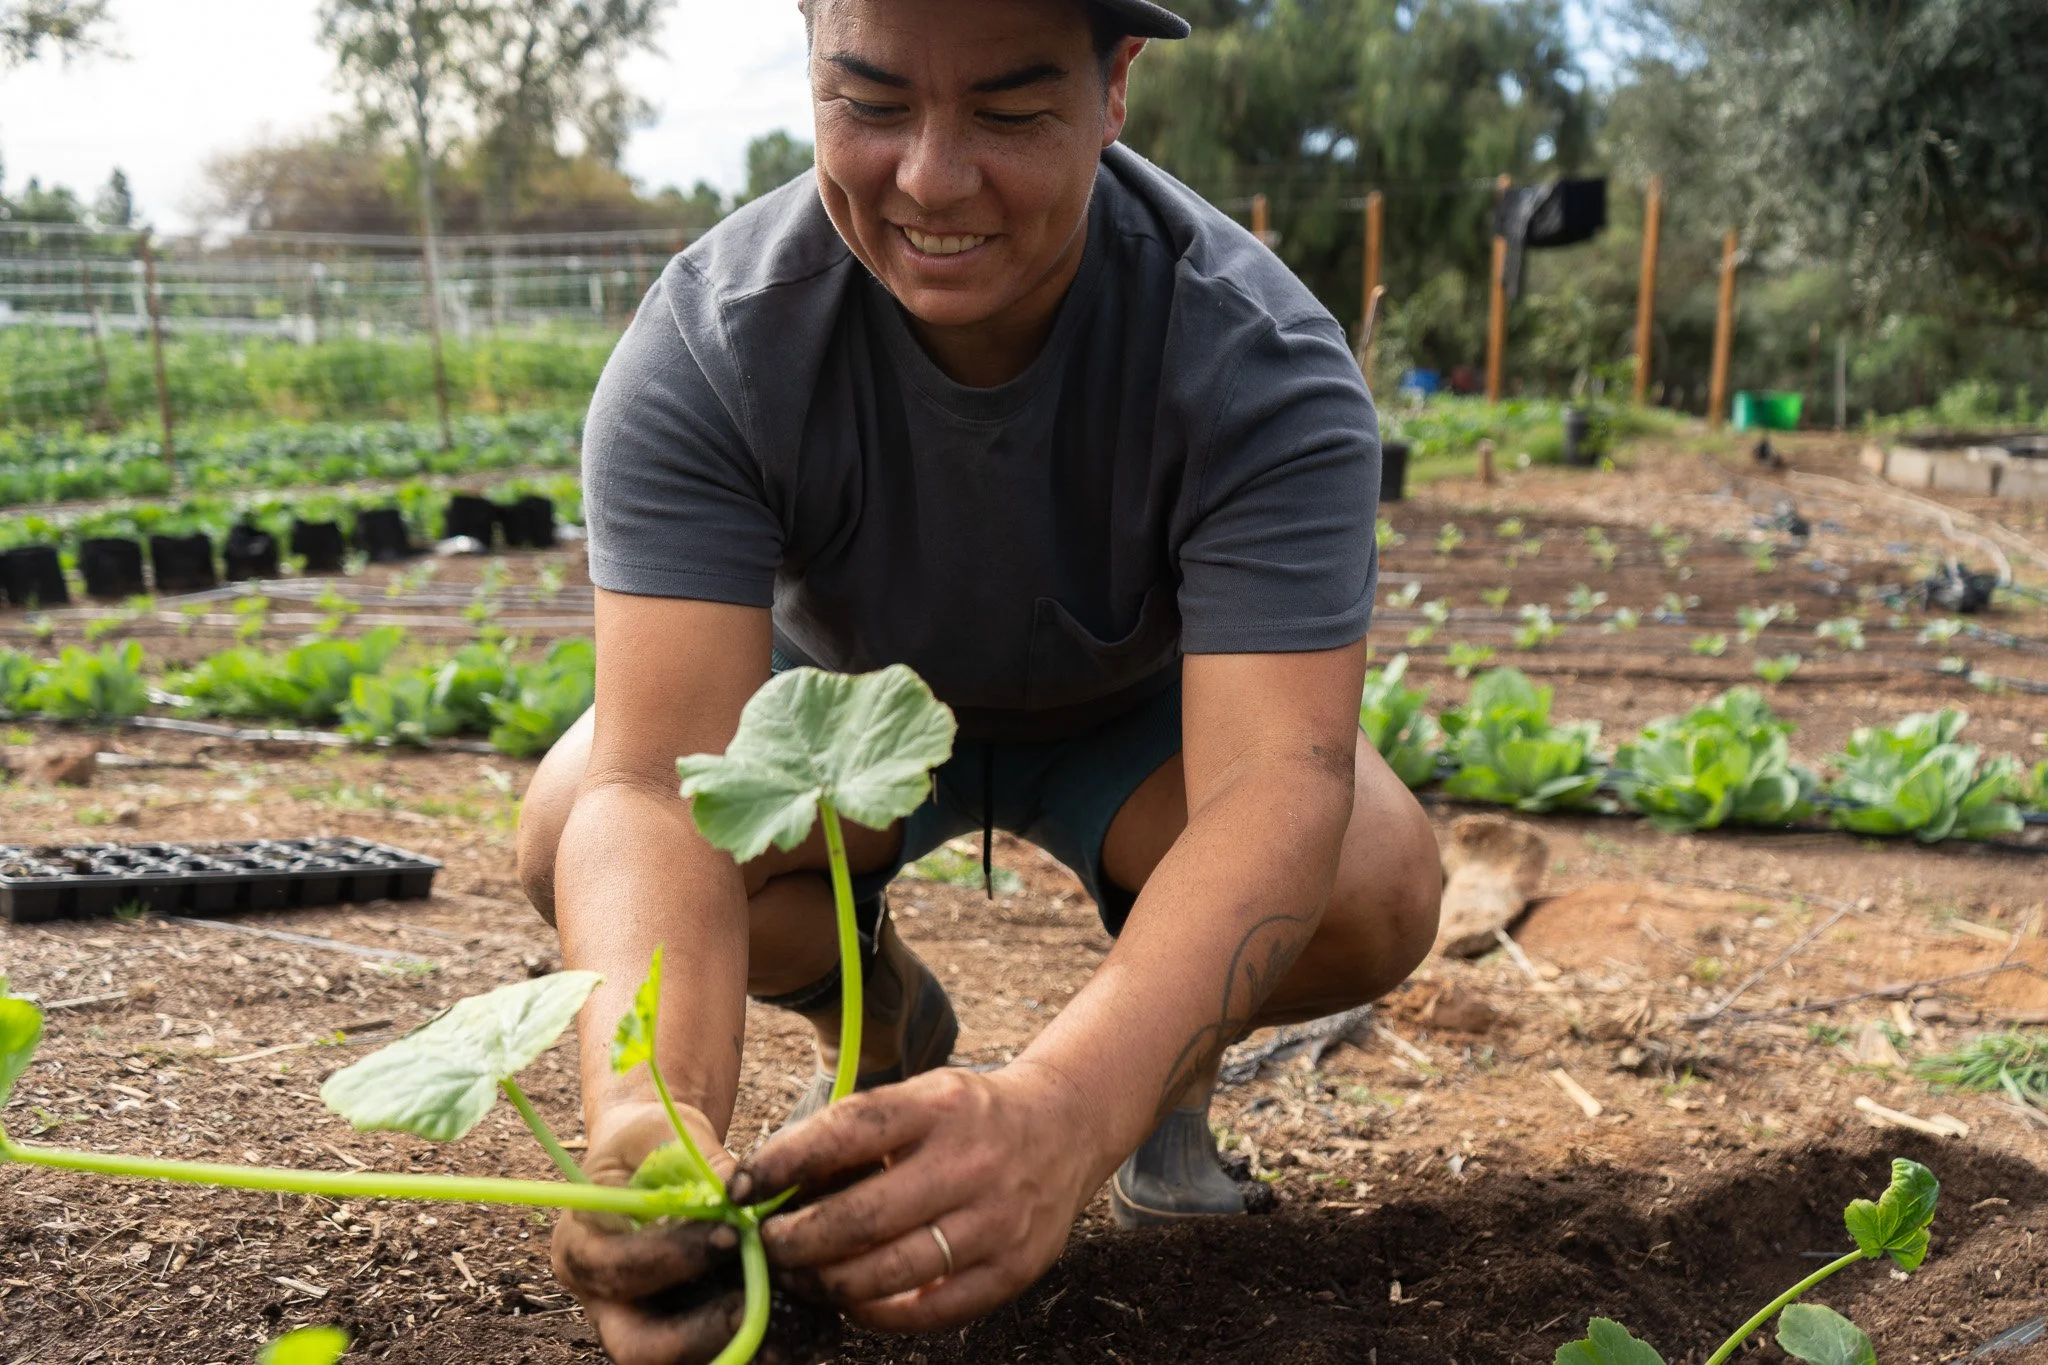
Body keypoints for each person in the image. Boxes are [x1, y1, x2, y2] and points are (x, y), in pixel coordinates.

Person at [514, 0, 1442, 1359]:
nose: (933, 178)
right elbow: (654, 786)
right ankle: (875, 1003)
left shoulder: (1254, 354)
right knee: (568, 823)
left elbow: (1275, 781)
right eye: (872, 104)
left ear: (1115, 86)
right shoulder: (716, 343)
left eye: (1010, 114)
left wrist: (1065, 1111)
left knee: (1372, 882)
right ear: (811, 68)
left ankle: (1160, 1083)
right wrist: (650, 1127)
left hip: (1137, 725)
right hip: (835, 717)